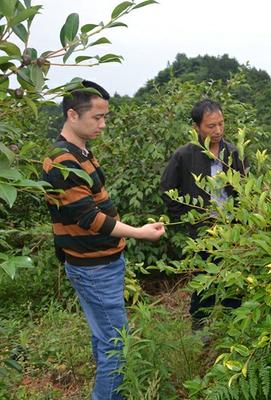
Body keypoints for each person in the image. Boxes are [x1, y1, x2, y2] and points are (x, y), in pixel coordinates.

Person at [42, 80, 165, 400]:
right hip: (94, 267)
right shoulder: (62, 160)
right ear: (72, 115)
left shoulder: (79, 151)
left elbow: (96, 206)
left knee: (104, 338)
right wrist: (138, 232)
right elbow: (90, 219)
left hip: (100, 263)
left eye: (105, 117)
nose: (103, 124)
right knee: (116, 344)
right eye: (97, 117)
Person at [160, 99, 247, 330]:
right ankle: (201, 330)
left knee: (233, 280)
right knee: (204, 282)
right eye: (211, 126)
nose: (217, 130)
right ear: (197, 128)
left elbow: (245, 188)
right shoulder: (184, 155)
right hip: (202, 231)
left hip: (232, 228)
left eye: (221, 124)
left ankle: (232, 328)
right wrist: (189, 218)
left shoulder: (232, 152)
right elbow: (168, 190)